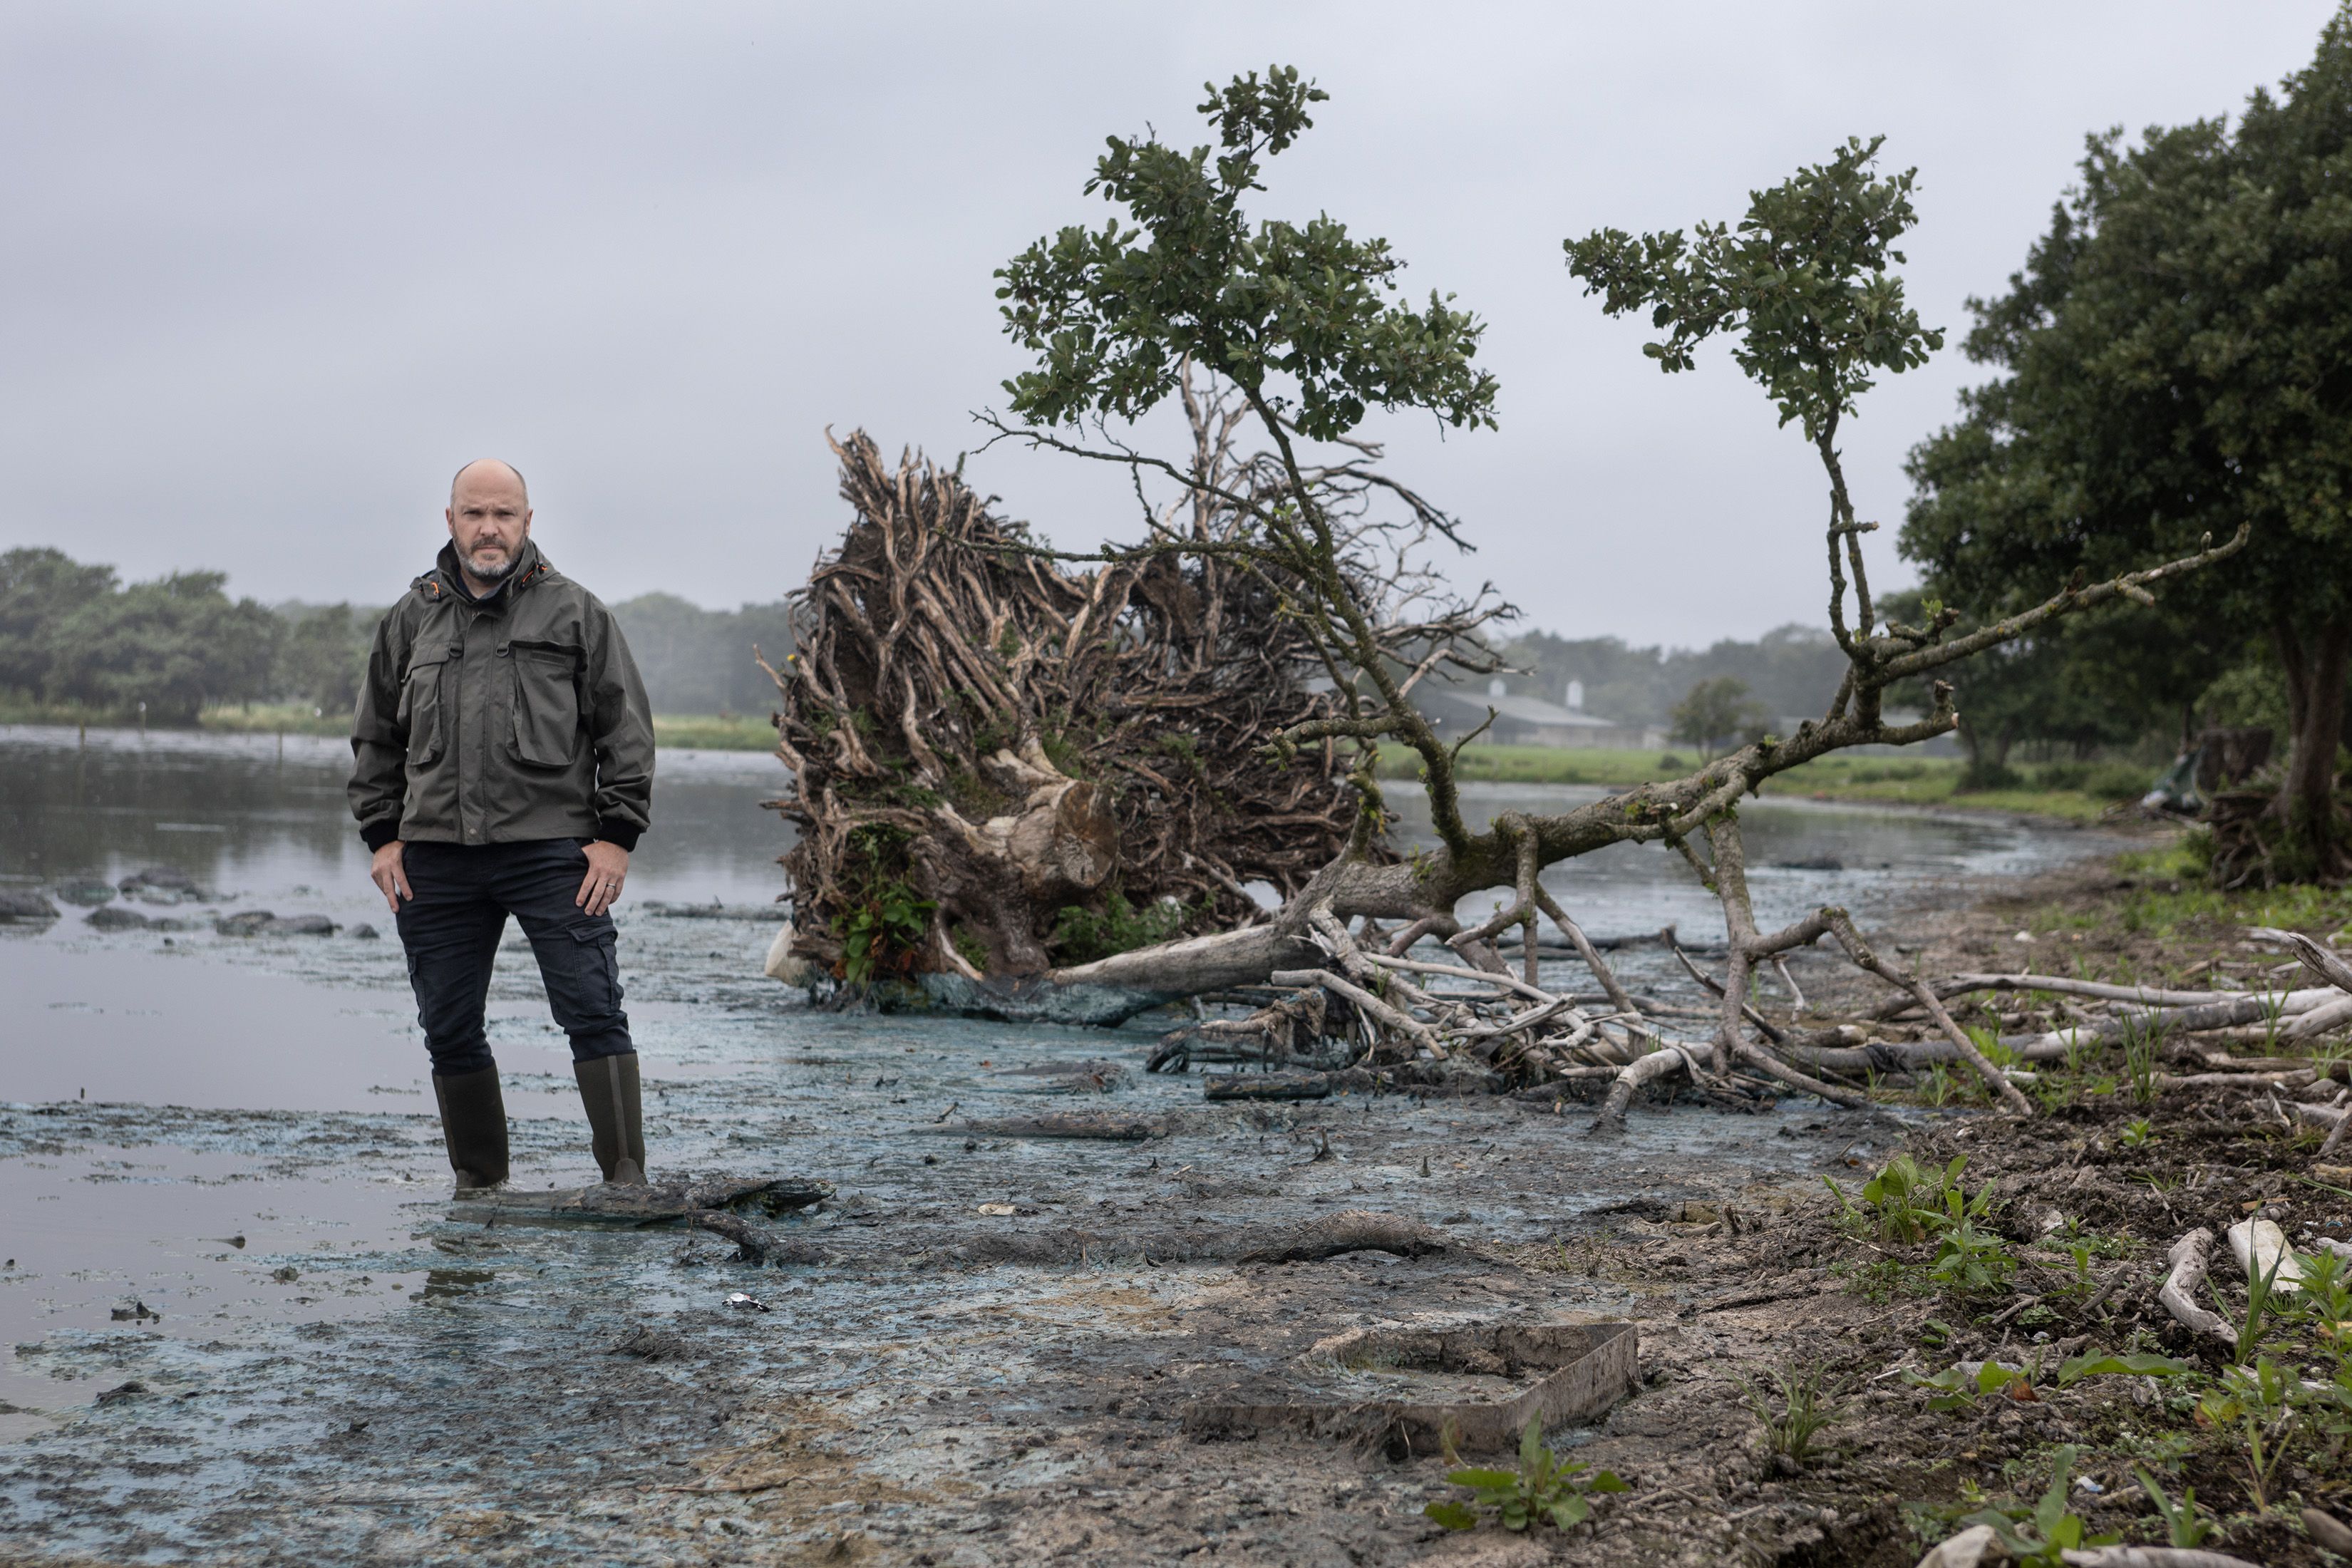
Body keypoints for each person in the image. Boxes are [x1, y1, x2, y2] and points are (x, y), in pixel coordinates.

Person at [349, 459, 656, 1190]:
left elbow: (627, 731)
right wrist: (382, 835)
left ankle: (626, 1182)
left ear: (528, 521)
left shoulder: (577, 612)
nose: (490, 528)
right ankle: (478, 1187)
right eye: (475, 513)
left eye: (505, 514)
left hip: (554, 853)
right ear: (450, 520)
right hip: (435, 857)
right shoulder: (409, 618)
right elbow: (376, 738)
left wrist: (616, 838)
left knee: (593, 1012)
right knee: (448, 1026)